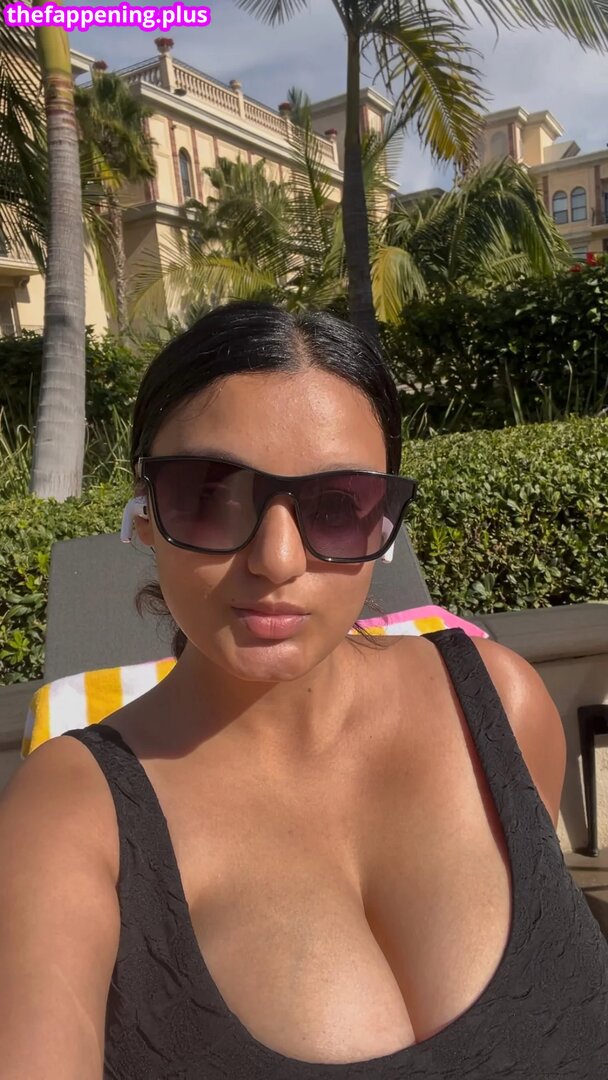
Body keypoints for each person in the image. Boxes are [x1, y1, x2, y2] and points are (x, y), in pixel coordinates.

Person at [1, 301, 606, 1080]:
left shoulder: (500, 707)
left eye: (335, 506)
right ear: (145, 516)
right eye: (210, 493)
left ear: (382, 523)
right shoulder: (68, 820)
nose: (278, 559)